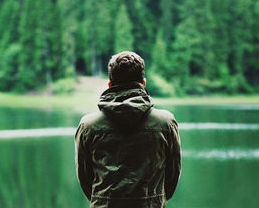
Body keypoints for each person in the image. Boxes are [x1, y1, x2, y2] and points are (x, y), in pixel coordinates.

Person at [75, 51, 181, 208]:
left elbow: (85, 178)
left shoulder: (88, 126)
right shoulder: (166, 123)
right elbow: (173, 174)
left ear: (110, 85)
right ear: (143, 83)